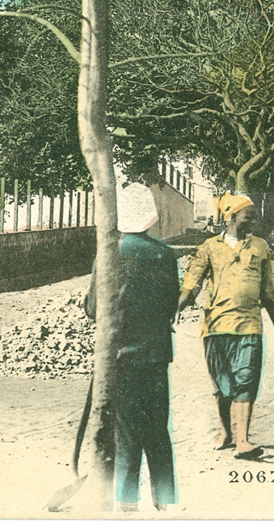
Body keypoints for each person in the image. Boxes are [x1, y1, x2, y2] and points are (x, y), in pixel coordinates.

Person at [86, 183, 179, 511]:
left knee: (126, 432)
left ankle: (126, 504)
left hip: (121, 357)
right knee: (157, 429)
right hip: (155, 356)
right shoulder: (166, 255)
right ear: (151, 219)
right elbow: (171, 304)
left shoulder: (110, 253)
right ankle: (165, 503)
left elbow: (93, 308)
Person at [178, 193, 274, 458]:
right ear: (229, 217)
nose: (252, 222)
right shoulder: (208, 247)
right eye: (247, 217)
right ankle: (227, 432)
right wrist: (174, 311)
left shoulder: (261, 247)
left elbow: (268, 292)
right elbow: (191, 285)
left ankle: (243, 440)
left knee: (246, 381)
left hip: (249, 326)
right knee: (223, 386)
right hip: (216, 327)